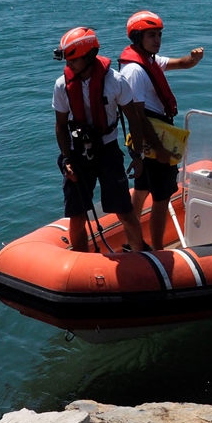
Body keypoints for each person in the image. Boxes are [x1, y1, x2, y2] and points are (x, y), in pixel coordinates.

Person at [52, 27, 147, 253]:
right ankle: (82, 262)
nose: (69, 64)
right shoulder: (62, 85)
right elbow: (61, 126)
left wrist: (138, 155)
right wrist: (66, 160)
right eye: (67, 59)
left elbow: (133, 119)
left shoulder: (116, 81)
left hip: (108, 151)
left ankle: (140, 257)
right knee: (77, 215)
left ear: (90, 56)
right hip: (77, 154)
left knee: (125, 212)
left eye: (74, 59)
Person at [118, 10, 204, 249]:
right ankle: (157, 250)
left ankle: (130, 241)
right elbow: (138, 116)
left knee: (142, 188)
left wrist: (193, 58)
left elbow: (182, 63)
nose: (157, 40)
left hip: (147, 139)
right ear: (137, 38)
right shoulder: (134, 71)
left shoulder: (148, 60)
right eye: (151, 35)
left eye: (159, 35)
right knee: (161, 199)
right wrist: (160, 149)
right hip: (153, 138)